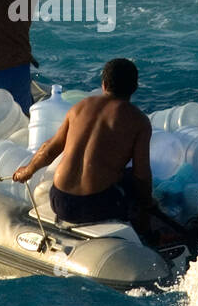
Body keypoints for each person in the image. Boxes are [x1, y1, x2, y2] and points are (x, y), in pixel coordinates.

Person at [12, 58, 160, 236]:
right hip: (94, 206)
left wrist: (27, 171)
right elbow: (142, 174)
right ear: (134, 87)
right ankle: (147, 238)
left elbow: (50, 149)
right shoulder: (139, 121)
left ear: (104, 84)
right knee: (132, 185)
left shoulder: (79, 108)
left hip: (59, 200)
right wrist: (148, 205)